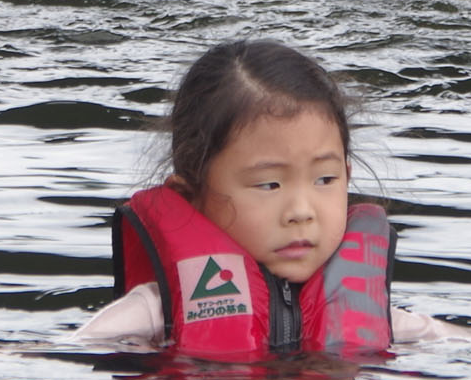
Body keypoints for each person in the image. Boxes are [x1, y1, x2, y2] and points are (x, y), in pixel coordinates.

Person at [76, 39, 450, 358]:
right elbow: (61, 351)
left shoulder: (377, 315)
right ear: (190, 198)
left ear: (347, 177)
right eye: (269, 185)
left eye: (325, 179)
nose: (301, 212)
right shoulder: (155, 313)